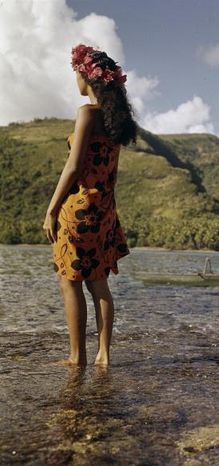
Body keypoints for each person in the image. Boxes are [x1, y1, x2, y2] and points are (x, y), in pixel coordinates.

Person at [43, 44, 137, 366]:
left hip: (79, 209)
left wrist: (52, 209)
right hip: (105, 212)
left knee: (70, 282)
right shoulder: (116, 122)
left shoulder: (87, 114)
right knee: (99, 283)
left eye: (76, 75)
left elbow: (72, 167)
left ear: (86, 76)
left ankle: (77, 356)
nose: (76, 81)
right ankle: (104, 355)